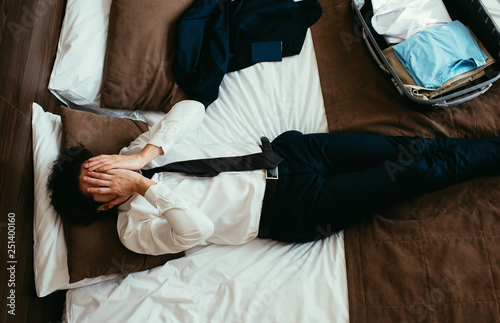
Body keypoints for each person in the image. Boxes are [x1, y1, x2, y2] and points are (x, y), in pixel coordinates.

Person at [48, 100, 500, 255]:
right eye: (101, 181)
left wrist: (141, 157)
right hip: (297, 207)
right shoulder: (133, 232)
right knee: (420, 170)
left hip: (291, 153)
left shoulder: (135, 157)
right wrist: (145, 187)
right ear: (105, 206)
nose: (110, 170)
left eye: (99, 165)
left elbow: (193, 108)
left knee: (416, 147)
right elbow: (197, 231)